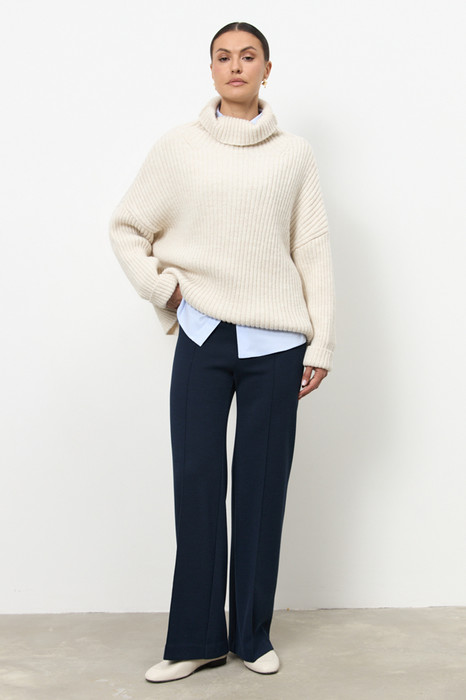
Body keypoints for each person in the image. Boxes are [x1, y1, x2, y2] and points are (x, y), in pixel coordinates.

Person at [108, 21, 336, 684]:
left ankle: (252, 636)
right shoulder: (179, 148)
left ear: (267, 68)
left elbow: (312, 249)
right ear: (210, 69)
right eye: (223, 57)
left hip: (278, 344)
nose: (235, 66)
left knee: (262, 491)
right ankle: (196, 639)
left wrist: (322, 340)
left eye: (248, 56)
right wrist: (166, 289)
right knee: (198, 484)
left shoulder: (294, 155)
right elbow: (127, 226)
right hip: (205, 335)